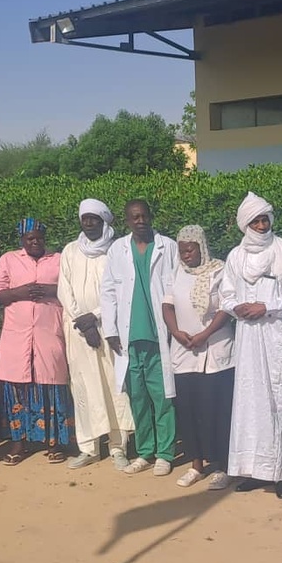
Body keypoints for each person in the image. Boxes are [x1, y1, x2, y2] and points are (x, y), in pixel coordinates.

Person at [220, 192, 282, 499]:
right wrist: (239, 308)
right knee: (251, 403)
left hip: (278, 334)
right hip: (249, 337)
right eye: (255, 221)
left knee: (281, 401)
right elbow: (227, 295)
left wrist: (266, 307)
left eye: (265, 219)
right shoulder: (235, 257)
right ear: (245, 224)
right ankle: (254, 471)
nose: (261, 225)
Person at [100, 199, 177, 476]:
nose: (140, 220)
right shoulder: (117, 250)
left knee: (163, 396)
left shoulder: (168, 247)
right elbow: (108, 291)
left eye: (144, 215)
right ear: (127, 221)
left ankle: (165, 453)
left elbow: (176, 288)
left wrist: (176, 330)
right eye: (135, 217)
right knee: (138, 398)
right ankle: (145, 451)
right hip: (128, 337)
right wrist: (109, 329)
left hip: (159, 335)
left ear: (151, 216)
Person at [59, 200, 134, 471]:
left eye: (94, 219)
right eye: (85, 219)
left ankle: (118, 447)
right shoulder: (69, 251)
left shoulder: (116, 250)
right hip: (79, 331)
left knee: (115, 387)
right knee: (84, 387)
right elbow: (64, 290)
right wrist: (84, 321)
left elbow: (120, 289)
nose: (89, 223)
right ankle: (88, 448)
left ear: (104, 221)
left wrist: (97, 316)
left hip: (110, 328)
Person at [162, 224, 235, 490]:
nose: (186, 255)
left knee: (216, 411)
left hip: (214, 351)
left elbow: (227, 306)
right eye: (182, 251)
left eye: (190, 250)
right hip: (184, 351)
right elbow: (167, 304)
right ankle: (196, 465)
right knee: (189, 410)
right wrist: (175, 332)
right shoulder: (177, 271)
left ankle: (222, 466)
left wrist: (205, 334)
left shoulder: (220, 269)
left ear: (201, 247)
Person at [0, 218, 71, 466]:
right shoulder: (8, 259)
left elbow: (69, 288)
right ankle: (19, 444)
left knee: (51, 386)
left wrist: (49, 290)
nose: (34, 241)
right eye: (29, 238)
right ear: (21, 240)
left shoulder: (58, 259)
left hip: (49, 333)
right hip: (17, 335)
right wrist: (21, 292)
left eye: (38, 237)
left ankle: (55, 443)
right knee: (18, 389)